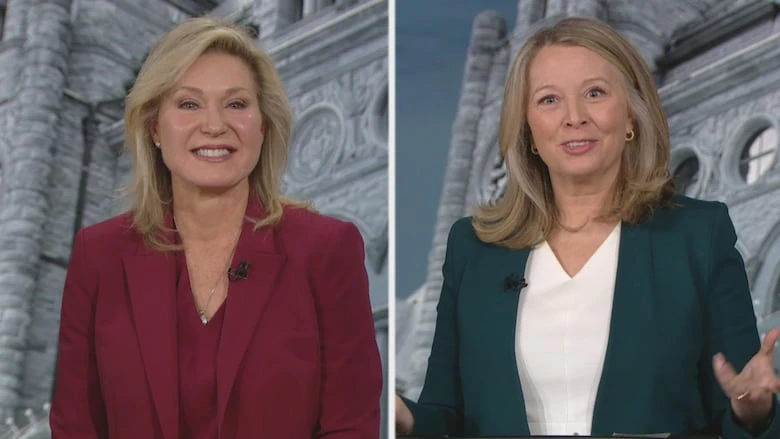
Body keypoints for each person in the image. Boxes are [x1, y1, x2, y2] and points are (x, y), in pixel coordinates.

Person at [396, 17, 780, 438]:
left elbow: (741, 400)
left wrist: (753, 412)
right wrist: (403, 418)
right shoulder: (474, 249)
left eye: (594, 93)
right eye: (548, 100)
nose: (574, 117)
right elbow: (444, 416)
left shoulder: (698, 236)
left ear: (632, 116)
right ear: (527, 132)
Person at [49, 17, 382, 439]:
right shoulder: (98, 256)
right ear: (154, 126)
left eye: (237, 104)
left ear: (262, 125)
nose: (214, 125)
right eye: (189, 104)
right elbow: (75, 426)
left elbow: (350, 426)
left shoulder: (326, 250)